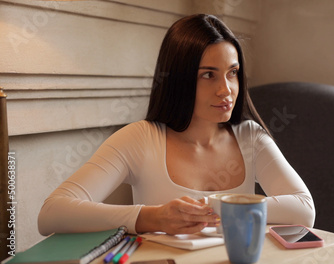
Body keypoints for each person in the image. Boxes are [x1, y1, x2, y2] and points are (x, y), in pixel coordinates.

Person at [38, 14, 315, 236]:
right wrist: (150, 216)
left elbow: (304, 209)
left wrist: (214, 207)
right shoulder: (140, 139)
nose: (226, 90)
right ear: (177, 79)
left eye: (232, 73)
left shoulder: (250, 138)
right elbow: (51, 213)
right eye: (208, 75)